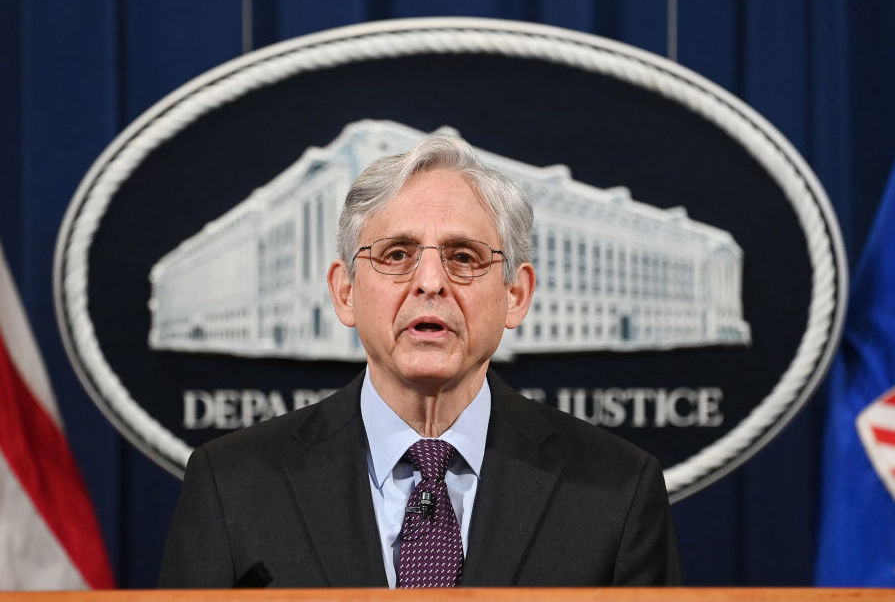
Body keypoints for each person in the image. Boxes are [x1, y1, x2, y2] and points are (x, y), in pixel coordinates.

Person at [158, 135, 682, 588]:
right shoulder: (233, 485)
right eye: (396, 255)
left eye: (463, 257)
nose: (430, 283)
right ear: (345, 292)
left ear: (516, 295)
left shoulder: (618, 489)